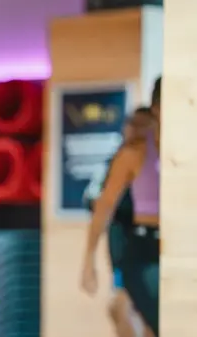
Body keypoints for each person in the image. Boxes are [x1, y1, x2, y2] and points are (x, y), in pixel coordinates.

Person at [81, 78, 161, 336]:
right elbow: (102, 208)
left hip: (169, 248)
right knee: (126, 311)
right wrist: (88, 259)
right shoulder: (131, 155)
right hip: (137, 247)